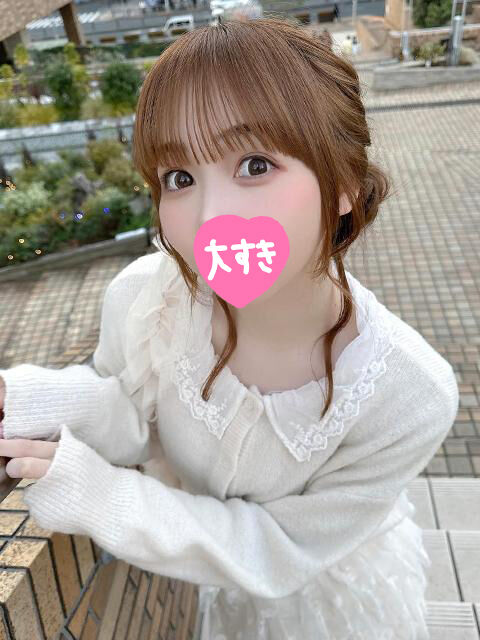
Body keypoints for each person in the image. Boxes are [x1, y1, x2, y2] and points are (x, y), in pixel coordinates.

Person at [0, 16, 459, 640]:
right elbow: (130, 409)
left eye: (255, 164)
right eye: (180, 178)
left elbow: (279, 549)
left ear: (345, 185)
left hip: (331, 605)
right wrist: (20, 401)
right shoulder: (147, 295)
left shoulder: (410, 392)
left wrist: (102, 497)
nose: (211, 216)